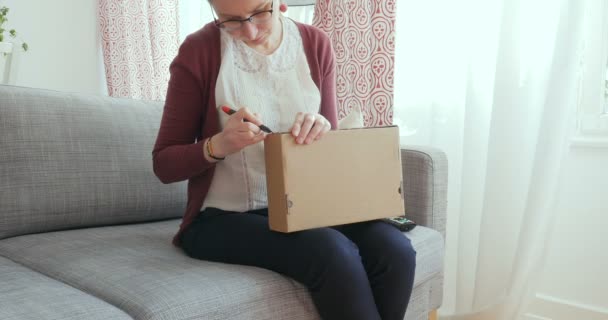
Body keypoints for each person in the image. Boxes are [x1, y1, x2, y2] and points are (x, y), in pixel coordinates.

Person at [152, 0, 416, 319]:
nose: (249, 31)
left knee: (396, 251)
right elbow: (164, 164)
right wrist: (218, 145)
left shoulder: (314, 43)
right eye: (230, 21)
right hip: (222, 218)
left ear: (281, 3)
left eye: (261, 12)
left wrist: (322, 128)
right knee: (331, 252)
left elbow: (329, 152)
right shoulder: (198, 51)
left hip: (307, 209)